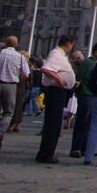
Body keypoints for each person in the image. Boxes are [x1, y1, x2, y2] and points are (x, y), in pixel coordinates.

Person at [0, 36, 30, 150]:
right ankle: (1, 132)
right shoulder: (19, 57)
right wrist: (17, 78)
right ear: (16, 45)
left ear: (5, 43)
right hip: (11, 85)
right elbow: (26, 74)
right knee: (9, 112)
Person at [36, 34, 77, 163]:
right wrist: (59, 79)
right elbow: (46, 69)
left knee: (54, 123)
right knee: (52, 124)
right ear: (69, 43)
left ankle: (47, 152)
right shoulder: (56, 54)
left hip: (59, 91)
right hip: (55, 91)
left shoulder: (60, 54)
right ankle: (46, 154)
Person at [69, 41, 97, 158]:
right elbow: (79, 77)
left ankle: (86, 148)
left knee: (90, 124)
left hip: (92, 96)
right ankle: (76, 147)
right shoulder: (88, 63)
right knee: (82, 121)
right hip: (86, 95)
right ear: (96, 52)